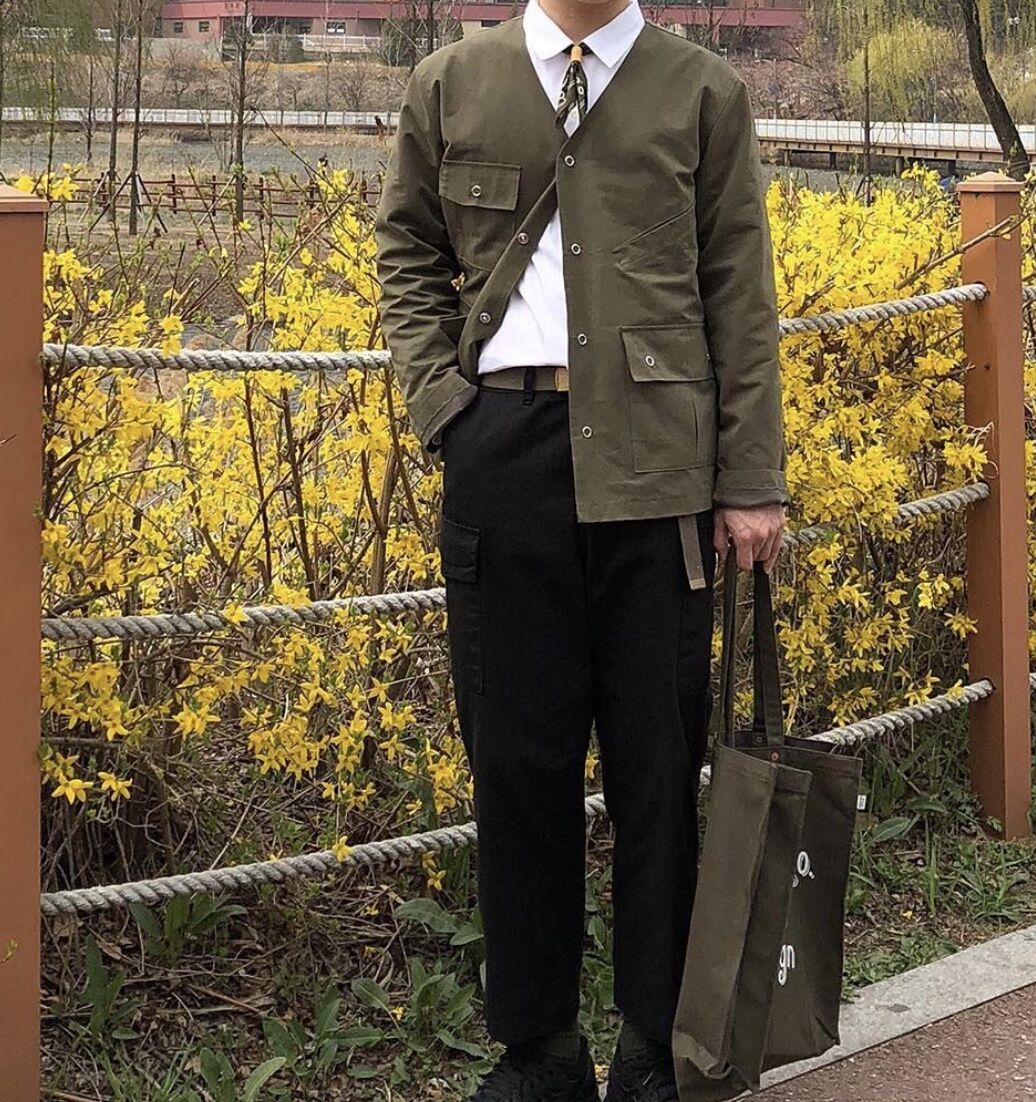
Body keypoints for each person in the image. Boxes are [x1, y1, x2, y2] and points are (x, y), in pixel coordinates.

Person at [375, 0, 787, 1097]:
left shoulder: (701, 89)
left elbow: (739, 290)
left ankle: (654, 1044)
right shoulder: (451, 82)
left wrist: (748, 477)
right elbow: (406, 250)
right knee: (516, 765)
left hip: (657, 466)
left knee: (659, 765)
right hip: (499, 451)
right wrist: (440, 405)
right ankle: (537, 1050)